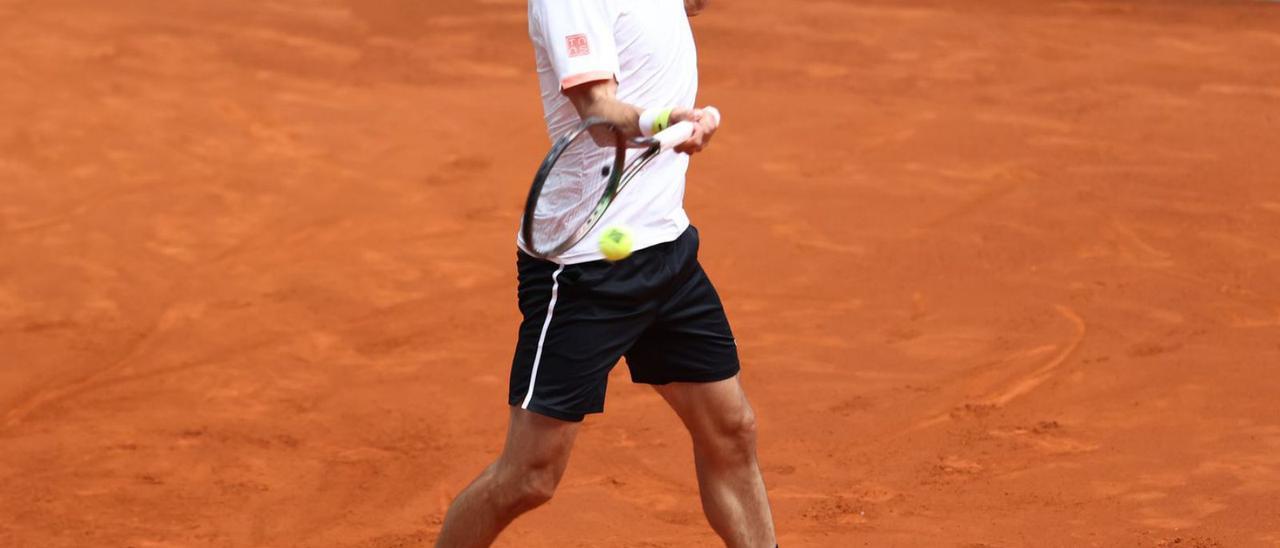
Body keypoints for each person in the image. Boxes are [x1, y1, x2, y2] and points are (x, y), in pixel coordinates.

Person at [434, 1, 777, 546]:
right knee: (530, 477)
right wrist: (664, 121)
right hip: (585, 271)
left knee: (731, 433)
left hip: (667, 247)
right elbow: (597, 112)